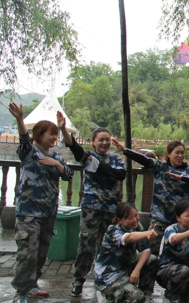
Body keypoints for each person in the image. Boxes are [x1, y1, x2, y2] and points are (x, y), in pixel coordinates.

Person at [8, 103, 73, 302]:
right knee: (27, 254)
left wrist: (57, 164)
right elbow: (23, 138)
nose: (54, 138)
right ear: (39, 134)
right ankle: (22, 291)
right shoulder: (30, 152)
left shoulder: (56, 155)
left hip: (49, 213)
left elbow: (68, 175)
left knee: (41, 253)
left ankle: (33, 284)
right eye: (50, 134)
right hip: (29, 213)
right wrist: (20, 119)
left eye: (56, 134)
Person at [58, 114, 127, 297]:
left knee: (107, 245)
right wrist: (63, 128)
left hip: (110, 209)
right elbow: (74, 147)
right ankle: (78, 279)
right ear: (93, 142)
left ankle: (103, 279)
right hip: (91, 208)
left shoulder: (116, 158)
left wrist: (98, 168)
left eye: (107, 140)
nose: (104, 143)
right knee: (86, 244)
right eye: (100, 140)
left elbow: (121, 175)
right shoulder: (87, 156)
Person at [112, 139, 189, 254]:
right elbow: (144, 160)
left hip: (178, 220)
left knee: (176, 250)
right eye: (177, 152)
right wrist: (125, 150)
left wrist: (181, 177)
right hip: (159, 217)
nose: (180, 156)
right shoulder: (160, 166)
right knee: (153, 250)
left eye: (182, 153)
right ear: (168, 154)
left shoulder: (187, 171)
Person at [93, 202, 159, 302]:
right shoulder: (113, 231)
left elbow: (146, 250)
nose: (135, 220)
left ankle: (146, 296)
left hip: (125, 269)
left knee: (152, 260)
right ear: (120, 220)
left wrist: (137, 270)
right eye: (129, 218)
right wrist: (147, 233)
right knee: (137, 296)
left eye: (136, 215)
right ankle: (107, 295)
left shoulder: (137, 226)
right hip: (109, 277)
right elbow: (129, 237)